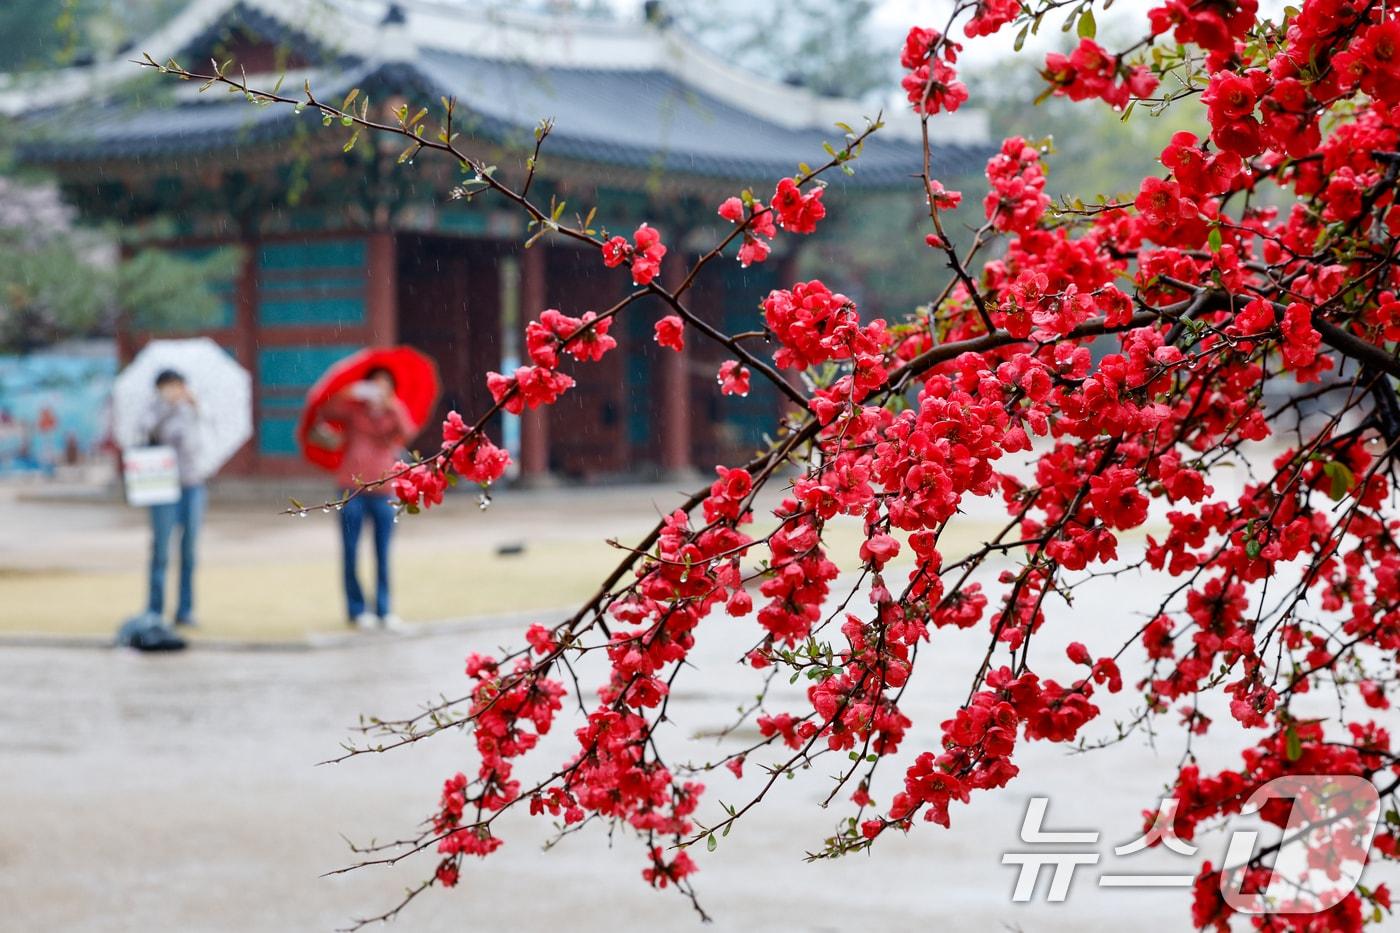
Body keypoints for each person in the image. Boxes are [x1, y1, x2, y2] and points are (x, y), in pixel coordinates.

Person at [321, 366, 415, 630]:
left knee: (383, 552)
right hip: (351, 488)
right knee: (350, 550)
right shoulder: (353, 411)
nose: (378, 391)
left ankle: (384, 609)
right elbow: (327, 412)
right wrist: (346, 394)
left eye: (384, 386)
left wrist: (392, 406)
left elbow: (408, 431)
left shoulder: (392, 413)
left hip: (384, 488)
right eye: (374, 385)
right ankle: (356, 609)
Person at [139, 369, 208, 626]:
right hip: (162, 486)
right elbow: (144, 431)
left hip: (192, 484)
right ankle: (154, 610)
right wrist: (166, 405)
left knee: (189, 551)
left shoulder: (191, 409)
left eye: (179, 385)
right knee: (161, 550)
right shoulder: (152, 409)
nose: (176, 390)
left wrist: (196, 407)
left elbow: (204, 439)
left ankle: (185, 609)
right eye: (171, 386)